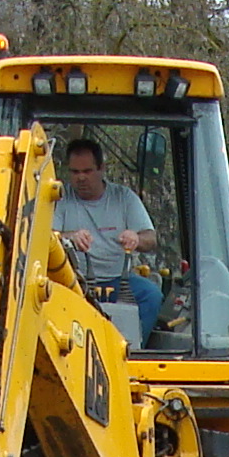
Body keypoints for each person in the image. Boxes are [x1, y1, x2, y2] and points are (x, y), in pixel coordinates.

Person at [55, 137, 164, 342]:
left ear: (102, 168)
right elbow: (49, 237)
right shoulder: (60, 198)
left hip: (118, 280)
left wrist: (135, 238)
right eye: (75, 172)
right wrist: (70, 237)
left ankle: (132, 351)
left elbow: (151, 239)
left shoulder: (123, 198)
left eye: (87, 171)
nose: (81, 178)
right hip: (74, 281)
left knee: (151, 295)